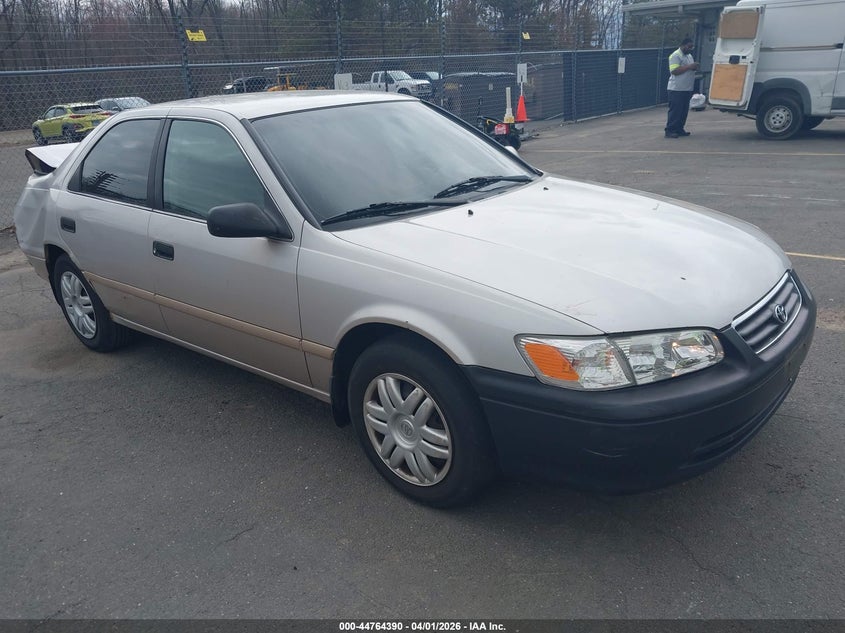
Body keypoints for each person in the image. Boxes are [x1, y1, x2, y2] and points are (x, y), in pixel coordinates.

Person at [665, 37, 699, 138]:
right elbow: (674, 70)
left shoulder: (689, 56)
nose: (690, 49)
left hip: (686, 88)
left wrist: (694, 67)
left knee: (683, 111)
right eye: (689, 46)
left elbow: (689, 69)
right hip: (676, 88)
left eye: (692, 47)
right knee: (675, 111)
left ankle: (679, 128)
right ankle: (670, 130)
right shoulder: (675, 56)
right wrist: (689, 67)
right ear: (683, 45)